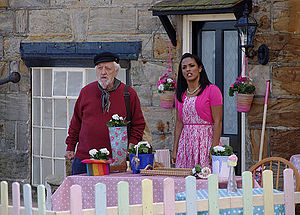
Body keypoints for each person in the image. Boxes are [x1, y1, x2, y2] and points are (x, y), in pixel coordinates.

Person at [65, 52, 145, 175]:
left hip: (115, 161)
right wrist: (70, 146)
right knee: (79, 194)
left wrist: (132, 145)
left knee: (114, 194)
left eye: (108, 68)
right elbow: (76, 122)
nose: (103, 72)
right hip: (85, 159)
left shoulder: (128, 94)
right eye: (100, 68)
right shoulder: (86, 92)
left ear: (116, 71)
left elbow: (138, 124)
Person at [171, 53, 223, 169]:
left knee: (206, 178)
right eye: (184, 67)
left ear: (200, 68)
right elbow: (179, 123)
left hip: (205, 142)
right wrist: (175, 149)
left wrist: (214, 149)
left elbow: (218, 121)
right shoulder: (180, 94)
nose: (188, 69)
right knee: (184, 181)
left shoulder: (212, 91)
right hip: (186, 144)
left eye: (191, 66)